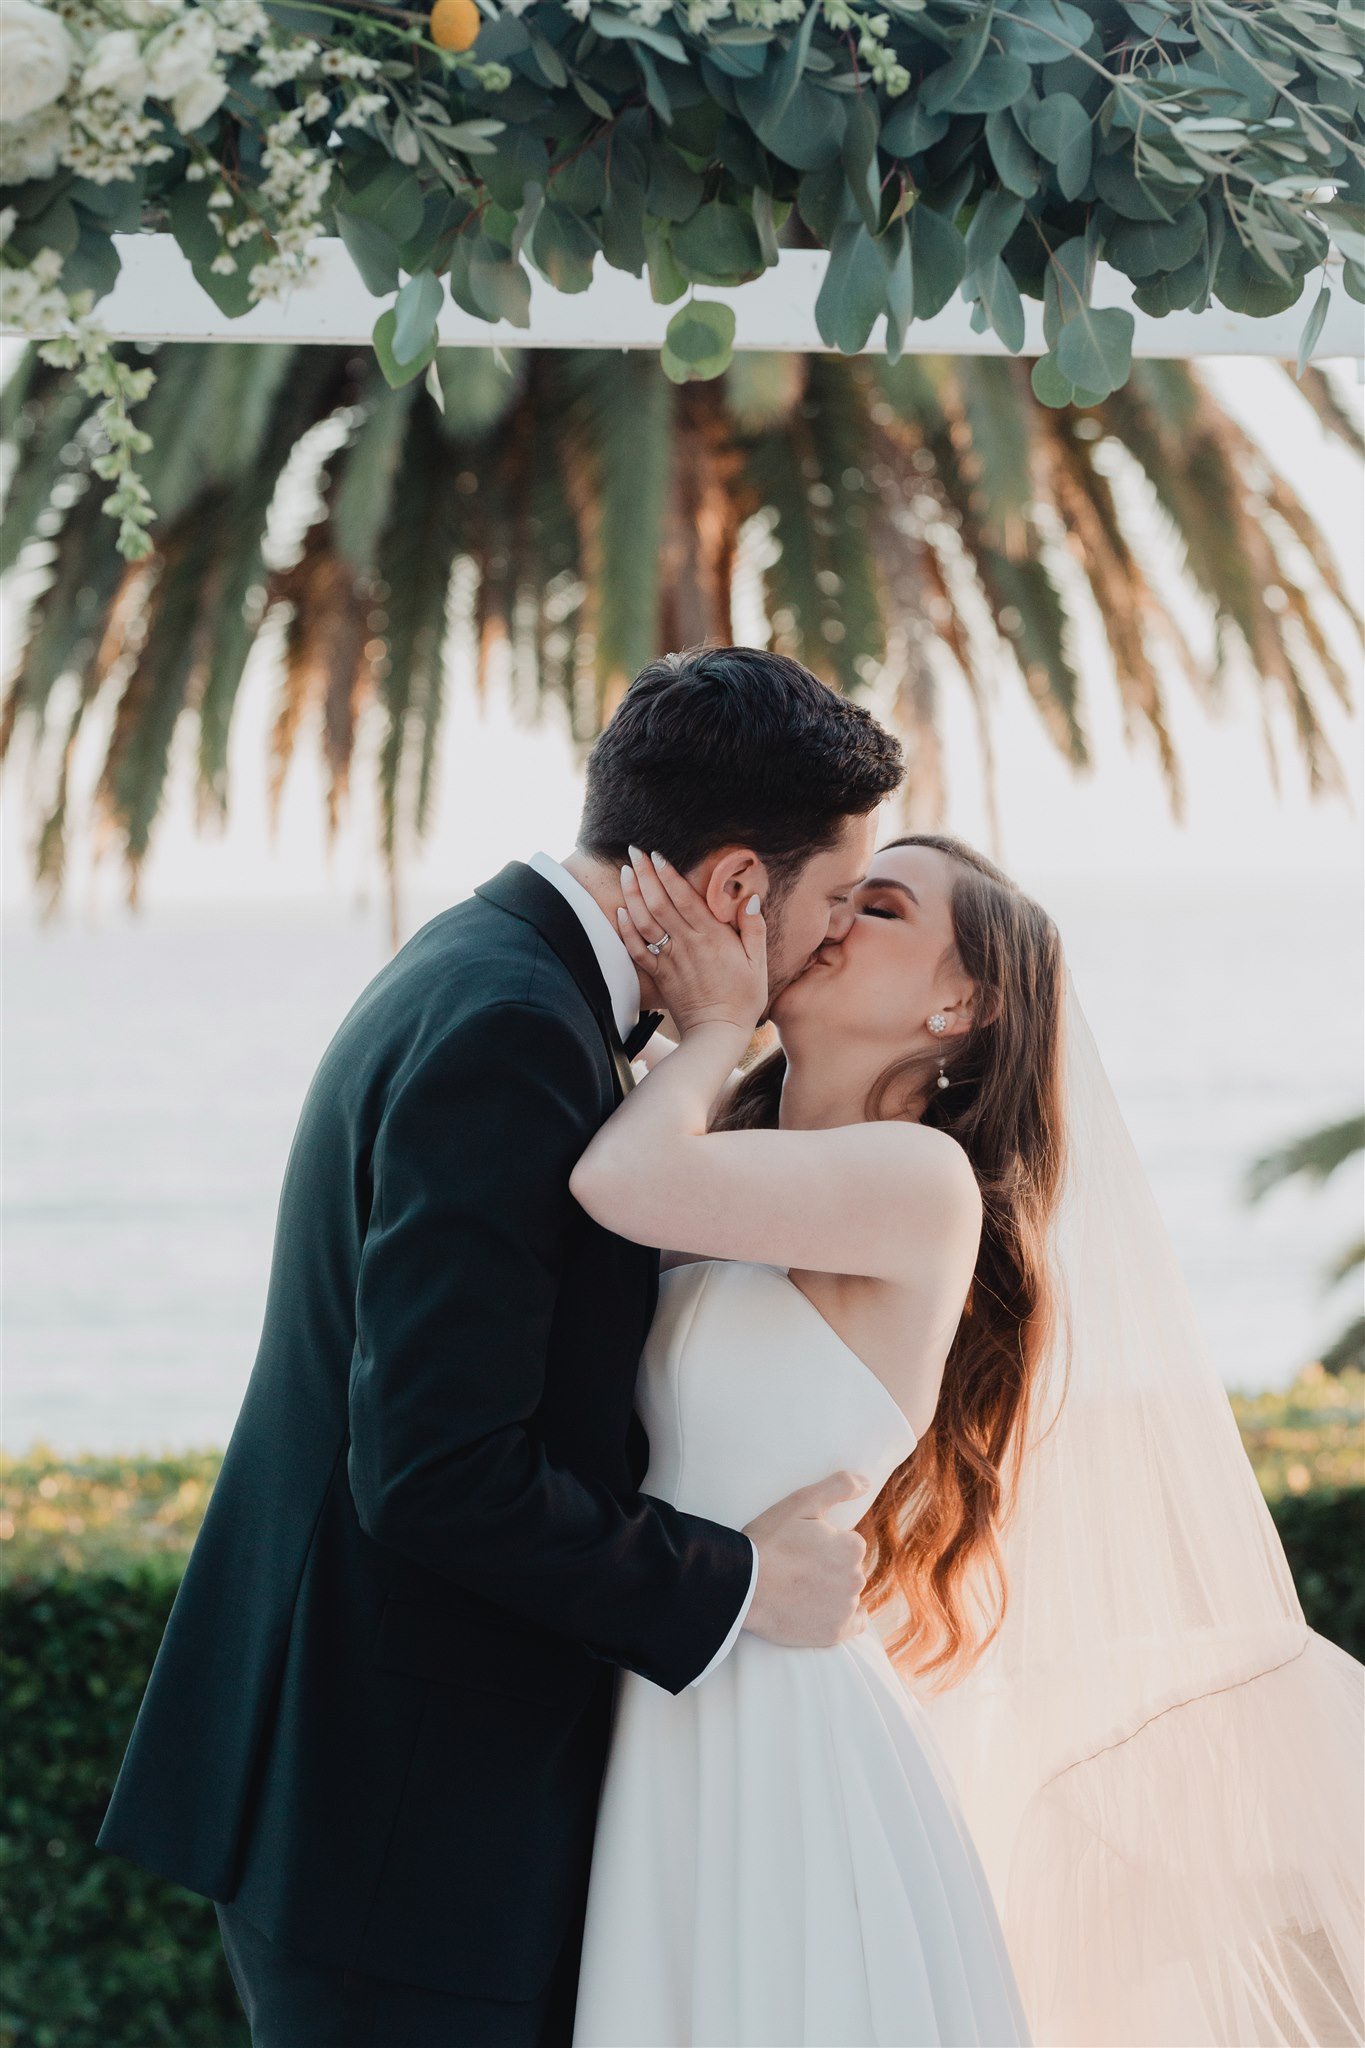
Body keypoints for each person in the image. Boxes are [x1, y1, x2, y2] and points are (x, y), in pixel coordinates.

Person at [94, 647, 905, 2048]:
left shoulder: (485, 963)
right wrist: (742, 1584)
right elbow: (434, 1471)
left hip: (370, 1797)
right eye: (832, 902)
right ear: (732, 890)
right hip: (405, 1828)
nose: (833, 940)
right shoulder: (515, 1033)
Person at [567, 835, 1365, 2048]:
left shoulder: (923, 1181)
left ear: (960, 1002)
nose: (829, 919)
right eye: (836, 895)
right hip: (670, 1686)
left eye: (877, 907)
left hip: (783, 1735)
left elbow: (618, 1183)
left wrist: (720, 1017)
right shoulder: (721, 1147)